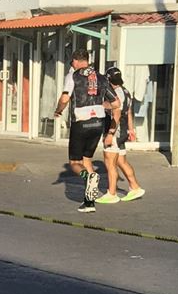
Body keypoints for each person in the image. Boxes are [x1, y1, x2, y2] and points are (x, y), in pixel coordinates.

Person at [54, 48, 113, 212]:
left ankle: (89, 177)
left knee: (75, 163)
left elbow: (65, 98)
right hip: (98, 123)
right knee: (87, 159)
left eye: (72, 62)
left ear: (75, 61)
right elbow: (115, 103)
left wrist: (58, 110)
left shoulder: (73, 75)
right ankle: (89, 202)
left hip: (81, 121)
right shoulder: (101, 77)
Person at [97, 68, 148, 204]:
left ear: (108, 79)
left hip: (115, 130)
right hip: (123, 130)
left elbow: (116, 113)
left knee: (110, 162)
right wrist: (131, 130)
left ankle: (111, 193)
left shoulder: (114, 94)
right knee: (121, 161)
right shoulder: (126, 91)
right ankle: (135, 187)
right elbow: (129, 112)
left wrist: (110, 134)